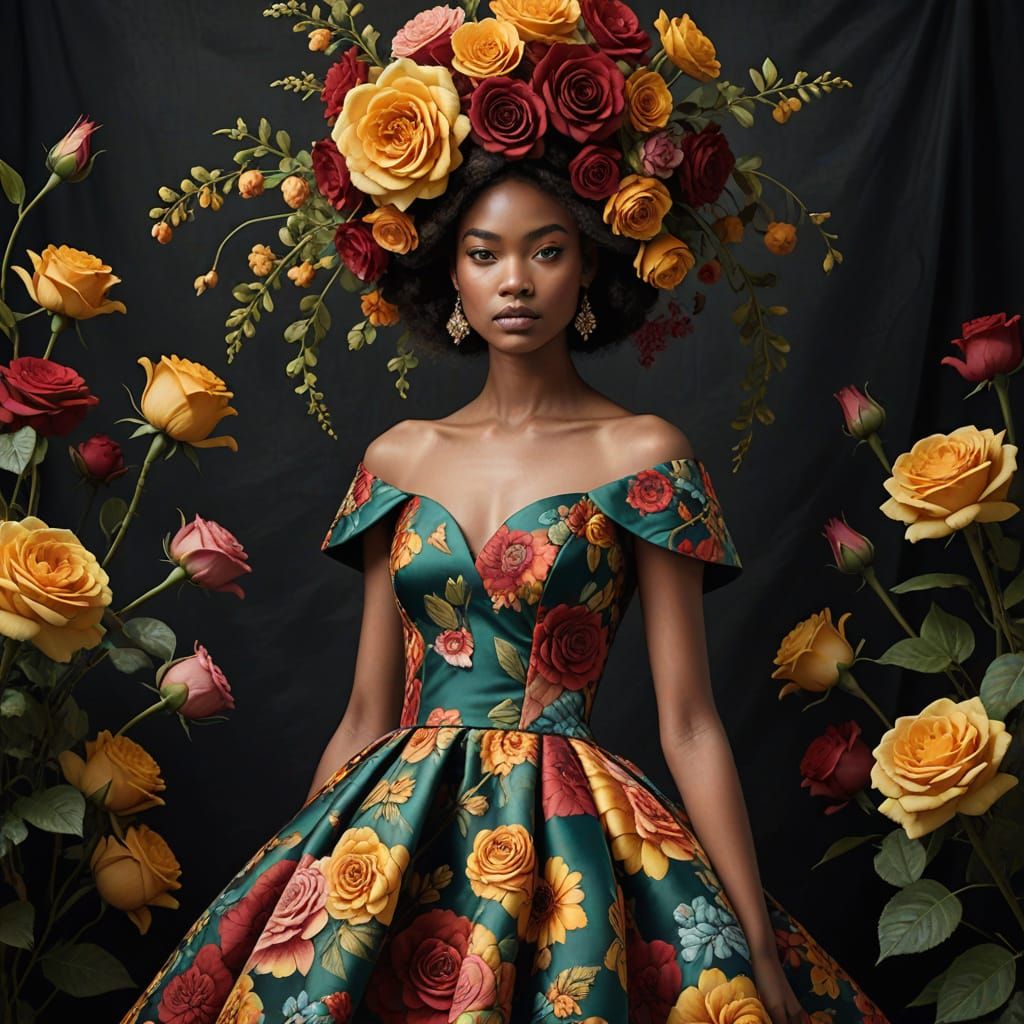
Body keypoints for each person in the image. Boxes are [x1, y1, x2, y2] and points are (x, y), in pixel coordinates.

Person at [119, 144, 890, 1024]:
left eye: (547, 249)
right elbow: (366, 714)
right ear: (449, 270)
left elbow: (689, 721)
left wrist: (754, 946)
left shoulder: (644, 454)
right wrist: (291, 892)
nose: (514, 280)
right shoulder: (399, 458)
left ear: (590, 263)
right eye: (484, 253)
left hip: (569, 841)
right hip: (390, 828)